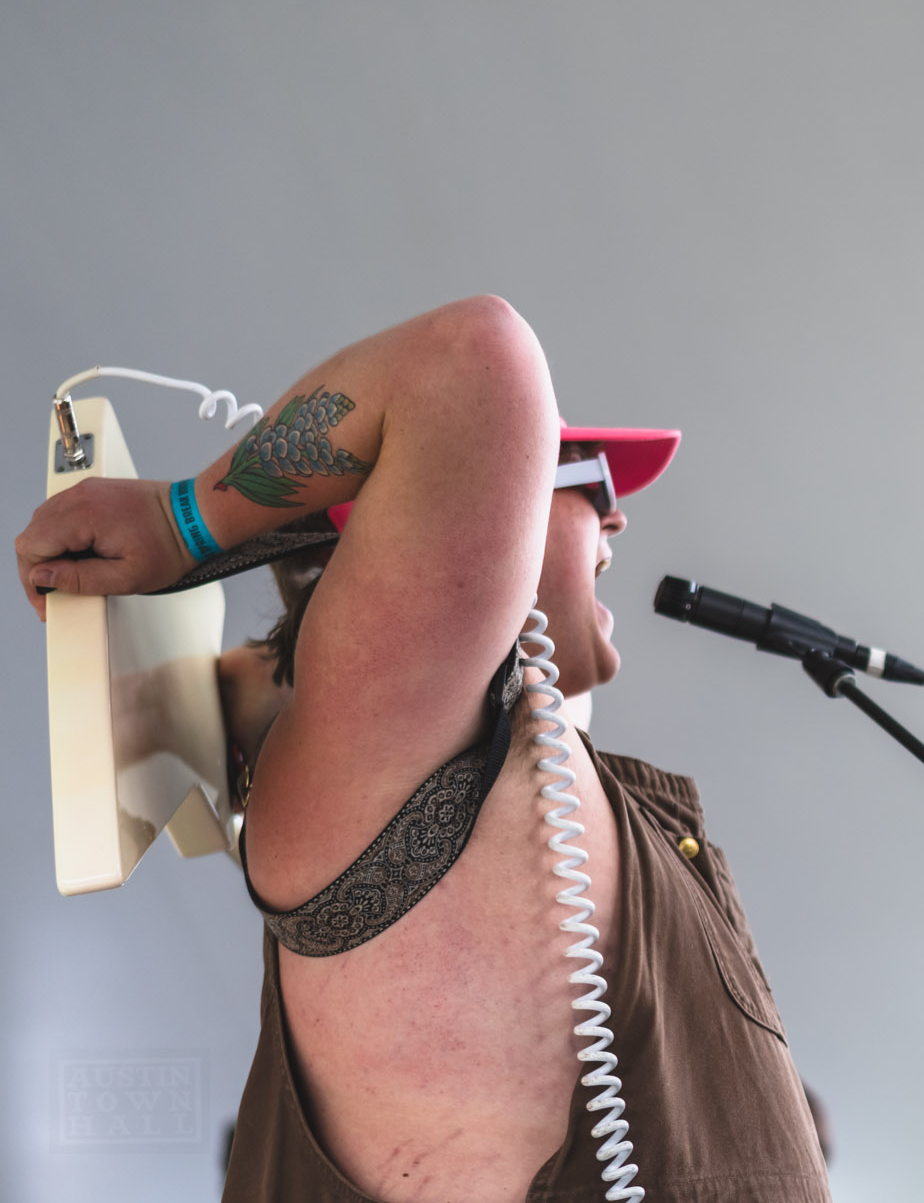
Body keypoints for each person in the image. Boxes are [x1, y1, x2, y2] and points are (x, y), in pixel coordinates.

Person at [17, 297, 831, 1203]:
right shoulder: (391, 747)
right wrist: (183, 525)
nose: (619, 521)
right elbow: (471, 366)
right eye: (593, 482)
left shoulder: (517, 788)